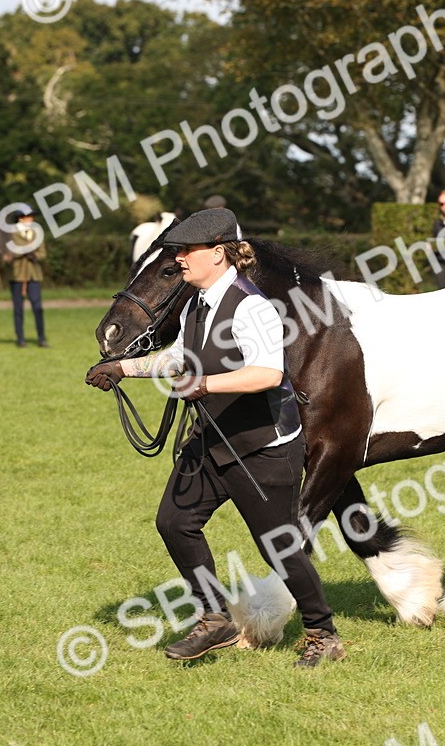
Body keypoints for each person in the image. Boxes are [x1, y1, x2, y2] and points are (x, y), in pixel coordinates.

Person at [84, 207, 345, 668]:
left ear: (218, 253)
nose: (180, 259)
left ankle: (323, 633)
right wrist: (123, 367)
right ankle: (214, 617)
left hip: (262, 449)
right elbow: (180, 358)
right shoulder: (195, 305)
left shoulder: (251, 307)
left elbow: (267, 373)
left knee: (278, 548)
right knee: (175, 523)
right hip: (211, 439)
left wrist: (205, 385)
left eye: (188, 250)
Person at [3, 204, 47, 348]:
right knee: (18, 308)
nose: (32, 219)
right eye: (29, 216)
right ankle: (20, 338)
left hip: (34, 274)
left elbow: (42, 253)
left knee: (37, 307)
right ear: (21, 218)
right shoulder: (11, 233)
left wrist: (35, 256)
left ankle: (41, 337)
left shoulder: (36, 233)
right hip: (18, 275)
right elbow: (9, 252)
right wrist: (24, 251)